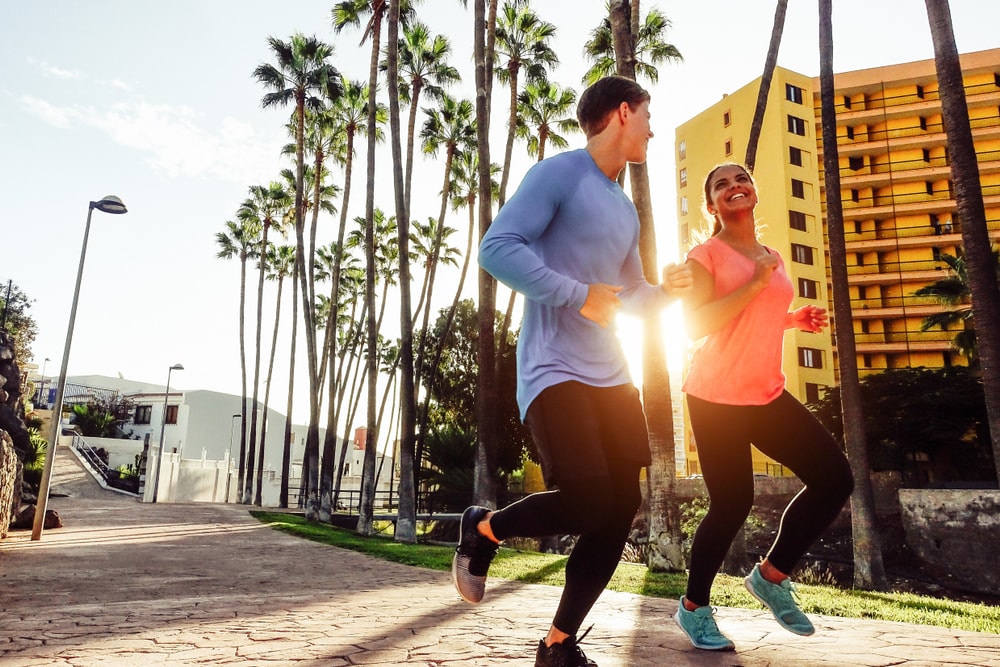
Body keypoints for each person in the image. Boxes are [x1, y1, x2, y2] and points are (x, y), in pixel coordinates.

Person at [454, 75, 693, 667]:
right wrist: (574, 293)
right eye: (645, 115)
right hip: (553, 368)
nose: (652, 127)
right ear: (620, 113)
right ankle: (483, 528)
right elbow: (497, 247)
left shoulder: (624, 207)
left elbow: (630, 292)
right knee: (588, 500)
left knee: (616, 513)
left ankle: (557, 645)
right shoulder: (558, 174)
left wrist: (671, 293)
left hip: (612, 375)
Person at [673, 162, 854, 651]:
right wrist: (754, 284)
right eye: (721, 185)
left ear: (754, 191)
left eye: (741, 179)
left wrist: (791, 318)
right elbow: (696, 325)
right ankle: (693, 609)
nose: (734, 187)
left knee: (836, 478)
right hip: (714, 396)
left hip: (764, 391)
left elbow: (754, 321)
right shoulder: (704, 255)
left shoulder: (771, 254)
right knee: (732, 503)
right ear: (711, 205)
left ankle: (771, 576)